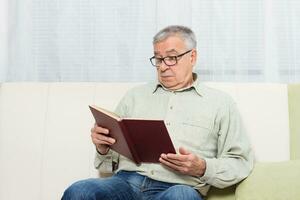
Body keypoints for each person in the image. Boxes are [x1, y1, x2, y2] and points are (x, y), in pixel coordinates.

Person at [62, 25, 254, 200]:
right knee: (80, 191)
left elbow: (240, 162)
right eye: (158, 58)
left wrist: (203, 167)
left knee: (181, 197)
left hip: (179, 186)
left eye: (172, 58)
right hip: (125, 183)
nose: (162, 66)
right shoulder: (134, 96)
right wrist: (103, 148)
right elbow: (107, 164)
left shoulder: (220, 103)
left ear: (192, 57)